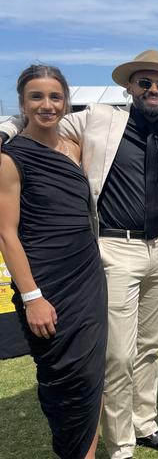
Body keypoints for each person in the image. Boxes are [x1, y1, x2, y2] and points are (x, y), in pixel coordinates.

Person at [0, 50, 158, 459]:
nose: (153, 90)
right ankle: (120, 443)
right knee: (118, 353)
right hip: (114, 248)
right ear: (129, 88)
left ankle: (146, 423)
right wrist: (3, 132)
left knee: (149, 346)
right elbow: (41, 116)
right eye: (145, 83)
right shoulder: (100, 118)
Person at [0, 65, 107, 458]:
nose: (47, 105)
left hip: (87, 276)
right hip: (45, 282)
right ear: (23, 103)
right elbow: (6, 235)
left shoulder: (74, 148)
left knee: (92, 375)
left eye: (55, 96)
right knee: (63, 380)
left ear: (65, 101)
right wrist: (32, 298)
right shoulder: (10, 159)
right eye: (36, 97)